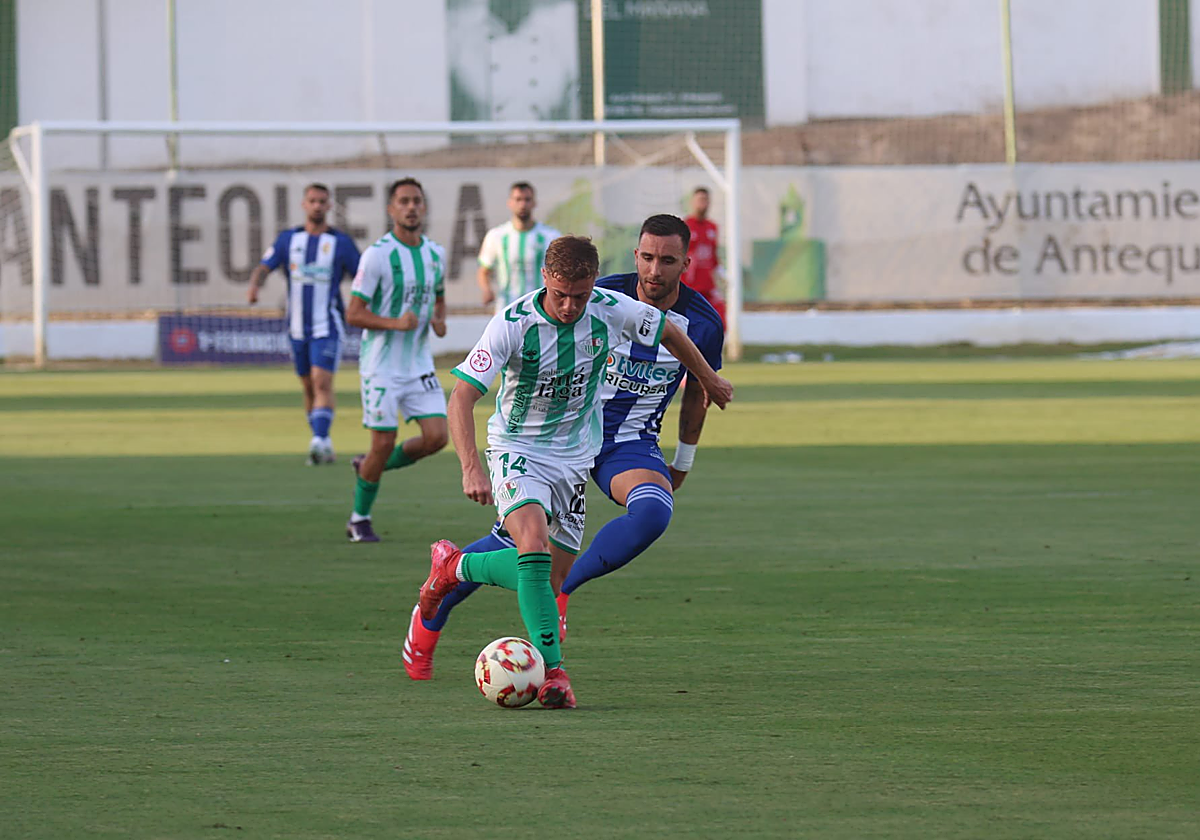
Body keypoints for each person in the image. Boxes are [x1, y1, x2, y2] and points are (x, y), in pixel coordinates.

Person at [413, 234, 733, 709]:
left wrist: (707, 378)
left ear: (592, 285)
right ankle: (554, 674)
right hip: (517, 449)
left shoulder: (610, 307)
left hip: (575, 458)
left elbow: (669, 332)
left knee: (550, 578)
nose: (569, 306)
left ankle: (454, 566)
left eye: (579, 296)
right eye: (560, 294)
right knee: (533, 548)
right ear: (545, 278)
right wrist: (471, 468)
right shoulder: (513, 323)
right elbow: (461, 396)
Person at [343, 178, 449, 543]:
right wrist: (394, 323)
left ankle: (369, 468)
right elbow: (353, 313)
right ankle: (359, 519)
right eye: (403, 201)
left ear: (424, 207)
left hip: (418, 364)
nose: (411, 207)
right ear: (391, 210)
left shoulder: (436, 254)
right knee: (383, 443)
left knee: (437, 437)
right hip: (381, 366)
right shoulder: (377, 255)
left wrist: (439, 318)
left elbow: (438, 296)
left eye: (417, 201)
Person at [248, 183, 361, 465]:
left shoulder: (341, 243)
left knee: (322, 381)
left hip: (328, 325)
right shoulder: (289, 239)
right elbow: (265, 266)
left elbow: (362, 276)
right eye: (312, 201)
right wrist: (254, 287)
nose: (317, 206)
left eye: (323, 201)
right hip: (296, 327)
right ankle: (323, 442)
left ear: (329, 206)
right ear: (304, 204)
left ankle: (318, 440)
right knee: (308, 386)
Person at [477, 182, 561, 312]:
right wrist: (487, 290)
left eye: (527, 200)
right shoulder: (497, 236)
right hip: (506, 308)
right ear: (509, 202)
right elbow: (484, 271)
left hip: (540, 307)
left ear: (534, 203)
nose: (522, 204)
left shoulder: (550, 236)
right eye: (518, 199)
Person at [682, 187, 726, 325]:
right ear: (692, 202)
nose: (703, 204)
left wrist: (721, 272)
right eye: (700, 200)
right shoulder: (685, 226)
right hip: (689, 285)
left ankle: (718, 345)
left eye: (706, 200)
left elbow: (713, 254)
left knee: (720, 318)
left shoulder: (712, 227)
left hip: (708, 285)